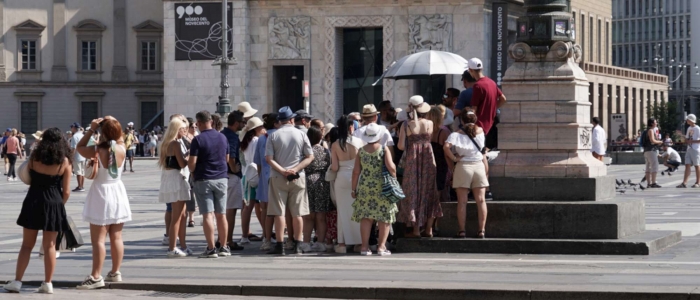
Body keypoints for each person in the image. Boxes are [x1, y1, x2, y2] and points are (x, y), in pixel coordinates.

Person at [3, 128, 72, 294]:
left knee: (27, 245)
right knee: (50, 246)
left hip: (34, 199)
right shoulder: (64, 161)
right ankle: (47, 283)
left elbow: (27, 177)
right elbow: (67, 191)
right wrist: (59, 204)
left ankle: (17, 281)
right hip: (54, 201)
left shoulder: (35, 157)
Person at [76, 117, 132, 289]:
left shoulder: (97, 150)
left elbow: (79, 148)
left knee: (98, 240)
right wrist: (114, 123)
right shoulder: (122, 148)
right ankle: (116, 272)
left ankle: (96, 276)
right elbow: (119, 137)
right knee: (116, 236)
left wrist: (92, 129)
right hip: (117, 191)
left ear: (103, 133)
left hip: (101, 192)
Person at [265, 106, 314, 255]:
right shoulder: (301, 134)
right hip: (298, 177)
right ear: (292, 119)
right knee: (297, 213)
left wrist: (283, 171)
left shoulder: (273, 136)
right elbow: (310, 156)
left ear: (279, 121)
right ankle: (298, 244)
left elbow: (268, 159)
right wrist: (296, 169)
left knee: (279, 212)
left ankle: (280, 245)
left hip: (278, 176)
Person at [346, 122, 398, 256]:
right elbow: (391, 167)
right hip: (382, 187)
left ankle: (364, 247)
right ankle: (381, 247)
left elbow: (356, 171)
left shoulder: (361, 151)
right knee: (384, 217)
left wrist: (353, 189)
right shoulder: (383, 149)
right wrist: (395, 177)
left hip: (365, 187)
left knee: (366, 217)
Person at [188, 110, 231, 258]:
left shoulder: (198, 140)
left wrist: (192, 172)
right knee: (222, 215)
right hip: (221, 179)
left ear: (199, 123)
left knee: (207, 215)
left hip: (203, 179)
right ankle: (224, 247)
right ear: (211, 121)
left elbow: (192, 163)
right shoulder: (223, 138)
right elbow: (226, 158)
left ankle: (211, 248)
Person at [397, 101, 442, 238]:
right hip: (428, 159)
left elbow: (400, 146)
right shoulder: (430, 124)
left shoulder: (406, 125)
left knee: (413, 192)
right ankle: (429, 229)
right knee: (429, 191)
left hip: (412, 161)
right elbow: (430, 140)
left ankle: (416, 230)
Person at [444, 111, 489, 238]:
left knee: (462, 201)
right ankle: (482, 230)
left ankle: (462, 230)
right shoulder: (480, 131)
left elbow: (445, 147)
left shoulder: (456, 134)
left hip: (463, 166)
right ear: (475, 119)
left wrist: (454, 158)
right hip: (478, 165)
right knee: (481, 200)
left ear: (461, 121)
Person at [158, 117, 193, 257]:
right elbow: (182, 163)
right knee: (177, 216)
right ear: (176, 129)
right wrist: (190, 155)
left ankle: (183, 245)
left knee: (182, 215)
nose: (185, 131)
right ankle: (172, 247)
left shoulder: (167, 143)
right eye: (183, 128)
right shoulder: (175, 144)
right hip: (176, 178)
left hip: (170, 177)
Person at [330, 115, 364, 253]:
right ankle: (359, 242)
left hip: (341, 177)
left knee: (342, 211)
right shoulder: (359, 142)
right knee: (357, 209)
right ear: (351, 127)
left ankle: (342, 243)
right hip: (357, 176)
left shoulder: (335, 144)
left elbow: (335, 167)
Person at [300, 126, 332, 253]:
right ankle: (320, 242)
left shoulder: (306, 151)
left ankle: (306, 242)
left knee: (308, 215)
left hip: (308, 181)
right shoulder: (325, 151)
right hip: (322, 182)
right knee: (321, 216)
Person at [220, 111, 246, 251]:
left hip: (223, 175)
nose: (244, 124)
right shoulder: (232, 137)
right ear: (236, 123)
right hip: (232, 176)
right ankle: (228, 240)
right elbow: (231, 157)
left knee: (224, 209)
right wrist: (234, 168)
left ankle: (221, 238)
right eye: (242, 122)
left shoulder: (222, 134)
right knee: (231, 209)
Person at [255, 113, 281, 251]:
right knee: (279, 209)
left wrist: (260, 177)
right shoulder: (280, 135)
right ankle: (282, 238)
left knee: (265, 209)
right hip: (279, 174)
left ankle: (266, 238)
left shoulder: (261, 139)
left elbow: (258, 161)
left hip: (265, 175)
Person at [240, 117, 266, 245]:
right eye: (261, 127)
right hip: (256, 173)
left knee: (248, 207)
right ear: (256, 129)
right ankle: (262, 234)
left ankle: (245, 235)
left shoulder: (246, 140)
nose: (263, 129)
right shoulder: (256, 140)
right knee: (256, 206)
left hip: (248, 174)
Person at [466, 58, 507, 136]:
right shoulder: (492, 82)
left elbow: (474, 108)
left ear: (470, 70)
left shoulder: (477, 85)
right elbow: (503, 99)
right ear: (482, 68)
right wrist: (492, 109)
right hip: (491, 124)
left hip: (479, 126)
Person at [428, 105, 451, 202]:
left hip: (429, 162)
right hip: (442, 163)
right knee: (442, 189)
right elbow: (448, 150)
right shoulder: (444, 131)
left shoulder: (426, 131)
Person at [678, 114, 700, 188]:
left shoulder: (698, 128)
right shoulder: (689, 128)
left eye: (688, 119)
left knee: (697, 165)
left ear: (691, 120)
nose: (687, 121)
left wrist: (691, 141)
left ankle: (698, 182)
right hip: (689, 149)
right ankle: (684, 182)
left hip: (695, 149)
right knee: (687, 165)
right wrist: (683, 137)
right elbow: (687, 138)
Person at [641, 118, 663, 188]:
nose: (656, 123)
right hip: (651, 150)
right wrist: (660, 142)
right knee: (654, 166)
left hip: (646, 151)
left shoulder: (646, 131)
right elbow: (652, 140)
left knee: (648, 167)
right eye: (655, 122)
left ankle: (648, 183)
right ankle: (653, 182)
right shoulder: (650, 130)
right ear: (652, 123)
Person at [184, 118, 198, 227]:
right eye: (192, 127)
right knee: (187, 194)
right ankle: (187, 216)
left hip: (194, 169)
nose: (194, 129)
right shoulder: (184, 139)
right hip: (186, 169)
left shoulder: (197, 138)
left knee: (192, 194)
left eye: (195, 127)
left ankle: (191, 218)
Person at [69, 123, 86, 191]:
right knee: (82, 171)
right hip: (83, 155)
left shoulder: (75, 136)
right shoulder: (82, 135)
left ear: (74, 128)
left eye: (72, 127)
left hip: (77, 156)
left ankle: (79, 186)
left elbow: (74, 148)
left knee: (78, 171)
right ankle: (82, 185)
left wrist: (71, 156)